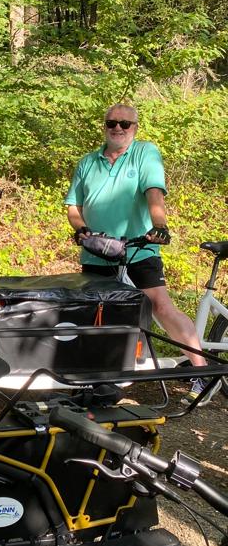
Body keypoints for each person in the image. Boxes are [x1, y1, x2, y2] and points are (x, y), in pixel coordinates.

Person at [66, 103, 209, 401]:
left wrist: (160, 224)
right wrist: (82, 230)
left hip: (138, 248)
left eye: (125, 124)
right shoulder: (88, 162)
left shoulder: (145, 152)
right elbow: (73, 206)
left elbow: (153, 192)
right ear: (104, 125)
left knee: (161, 306)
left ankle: (202, 372)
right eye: (112, 123)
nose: (118, 128)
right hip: (98, 250)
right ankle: (100, 379)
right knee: (98, 313)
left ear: (135, 127)